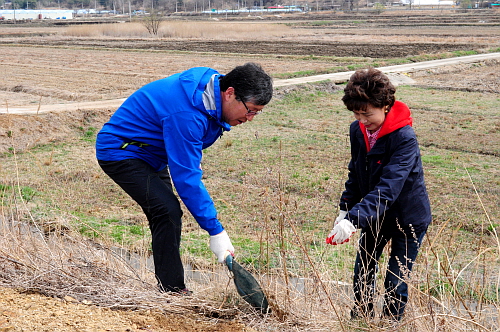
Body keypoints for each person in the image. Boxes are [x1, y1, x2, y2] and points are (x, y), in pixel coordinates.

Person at [96, 63, 273, 294]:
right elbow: (186, 178)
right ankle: (173, 290)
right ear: (230, 93)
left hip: (153, 152)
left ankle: (170, 288)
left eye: (257, 112)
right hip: (122, 150)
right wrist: (215, 230)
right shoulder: (187, 114)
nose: (251, 118)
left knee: (167, 215)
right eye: (250, 110)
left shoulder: (210, 92)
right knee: (166, 210)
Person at [326, 68, 432, 321]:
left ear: (385, 105)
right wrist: (345, 208)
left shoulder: (404, 137)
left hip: (407, 218)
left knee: (396, 279)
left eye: (367, 113)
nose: (362, 119)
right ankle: (360, 320)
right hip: (374, 215)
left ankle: (389, 325)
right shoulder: (357, 131)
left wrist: (354, 219)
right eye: (356, 113)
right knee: (363, 269)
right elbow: (356, 172)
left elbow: (390, 187)